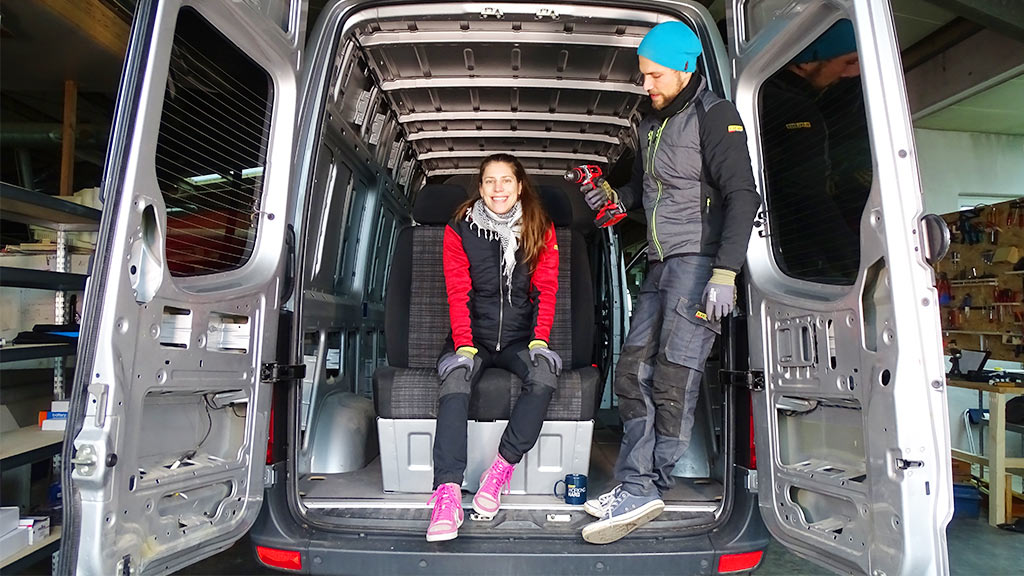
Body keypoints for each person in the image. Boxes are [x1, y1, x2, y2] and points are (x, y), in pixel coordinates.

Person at [578, 21, 759, 544]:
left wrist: (725, 272)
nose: (646, 85)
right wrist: (614, 199)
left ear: (685, 66)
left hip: (699, 262)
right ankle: (634, 482)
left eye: (654, 75)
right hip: (659, 263)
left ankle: (648, 484)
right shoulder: (651, 122)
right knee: (633, 370)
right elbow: (643, 188)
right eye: (643, 76)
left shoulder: (715, 116)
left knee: (674, 376)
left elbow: (742, 196)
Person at [426, 153, 562, 542]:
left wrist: (540, 340)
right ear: (481, 187)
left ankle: (500, 469)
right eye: (489, 181)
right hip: (474, 338)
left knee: (544, 373)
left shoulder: (540, 226)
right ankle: (447, 493)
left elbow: (546, 290)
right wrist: (465, 347)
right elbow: (458, 291)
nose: (498, 189)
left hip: (521, 338)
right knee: (455, 380)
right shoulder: (460, 229)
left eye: (506, 181)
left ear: (519, 186)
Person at [760, 19, 861, 283]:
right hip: (792, 262)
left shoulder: (761, 96)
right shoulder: (796, 110)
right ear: (805, 61)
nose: (853, 73)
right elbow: (805, 194)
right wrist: (856, 265)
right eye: (848, 62)